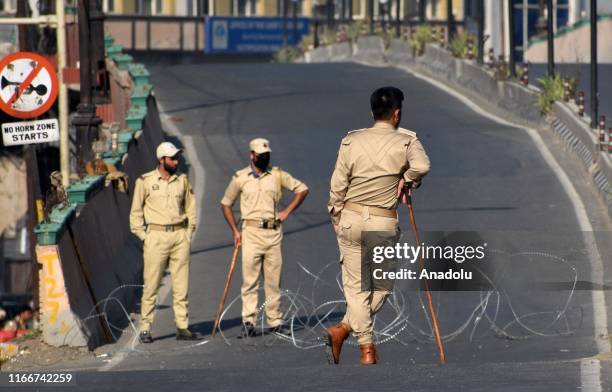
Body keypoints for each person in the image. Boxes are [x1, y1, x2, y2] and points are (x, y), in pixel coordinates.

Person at [326, 86, 431, 365]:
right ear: (397, 114)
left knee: (359, 288)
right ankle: (367, 348)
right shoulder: (406, 141)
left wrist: (336, 217)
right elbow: (423, 166)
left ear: (372, 113)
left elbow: (337, 185)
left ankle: (344, 328)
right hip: (383, 220)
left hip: (350, 218)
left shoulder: (351, 141)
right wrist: (406, 178)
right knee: (381, 288)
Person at [221, 138, 309, 338]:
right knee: (250, 280)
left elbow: (302, 189)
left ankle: (275, 320)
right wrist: (235, 230)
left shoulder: (277, 175)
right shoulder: (240, 178)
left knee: (273, 279)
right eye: (260, 156)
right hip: (251, 232)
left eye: (267, 156)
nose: (264, 159)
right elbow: (226, 203)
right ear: (252, 155)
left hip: (273, 232)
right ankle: (248, 321)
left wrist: (286, 211)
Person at [130, 141, 202, 343]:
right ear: (161, 160)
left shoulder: (182, 180)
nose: (176, 161)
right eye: (172, 158)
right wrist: (146, 236)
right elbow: (135, 214)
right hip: (156, 237)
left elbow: (190, 208)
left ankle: (182, 326)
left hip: (179, 235)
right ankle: (145, 328)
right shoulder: (144, 181)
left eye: (177, 157)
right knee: (151, 285)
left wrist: (188, 232)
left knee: (182, 285)